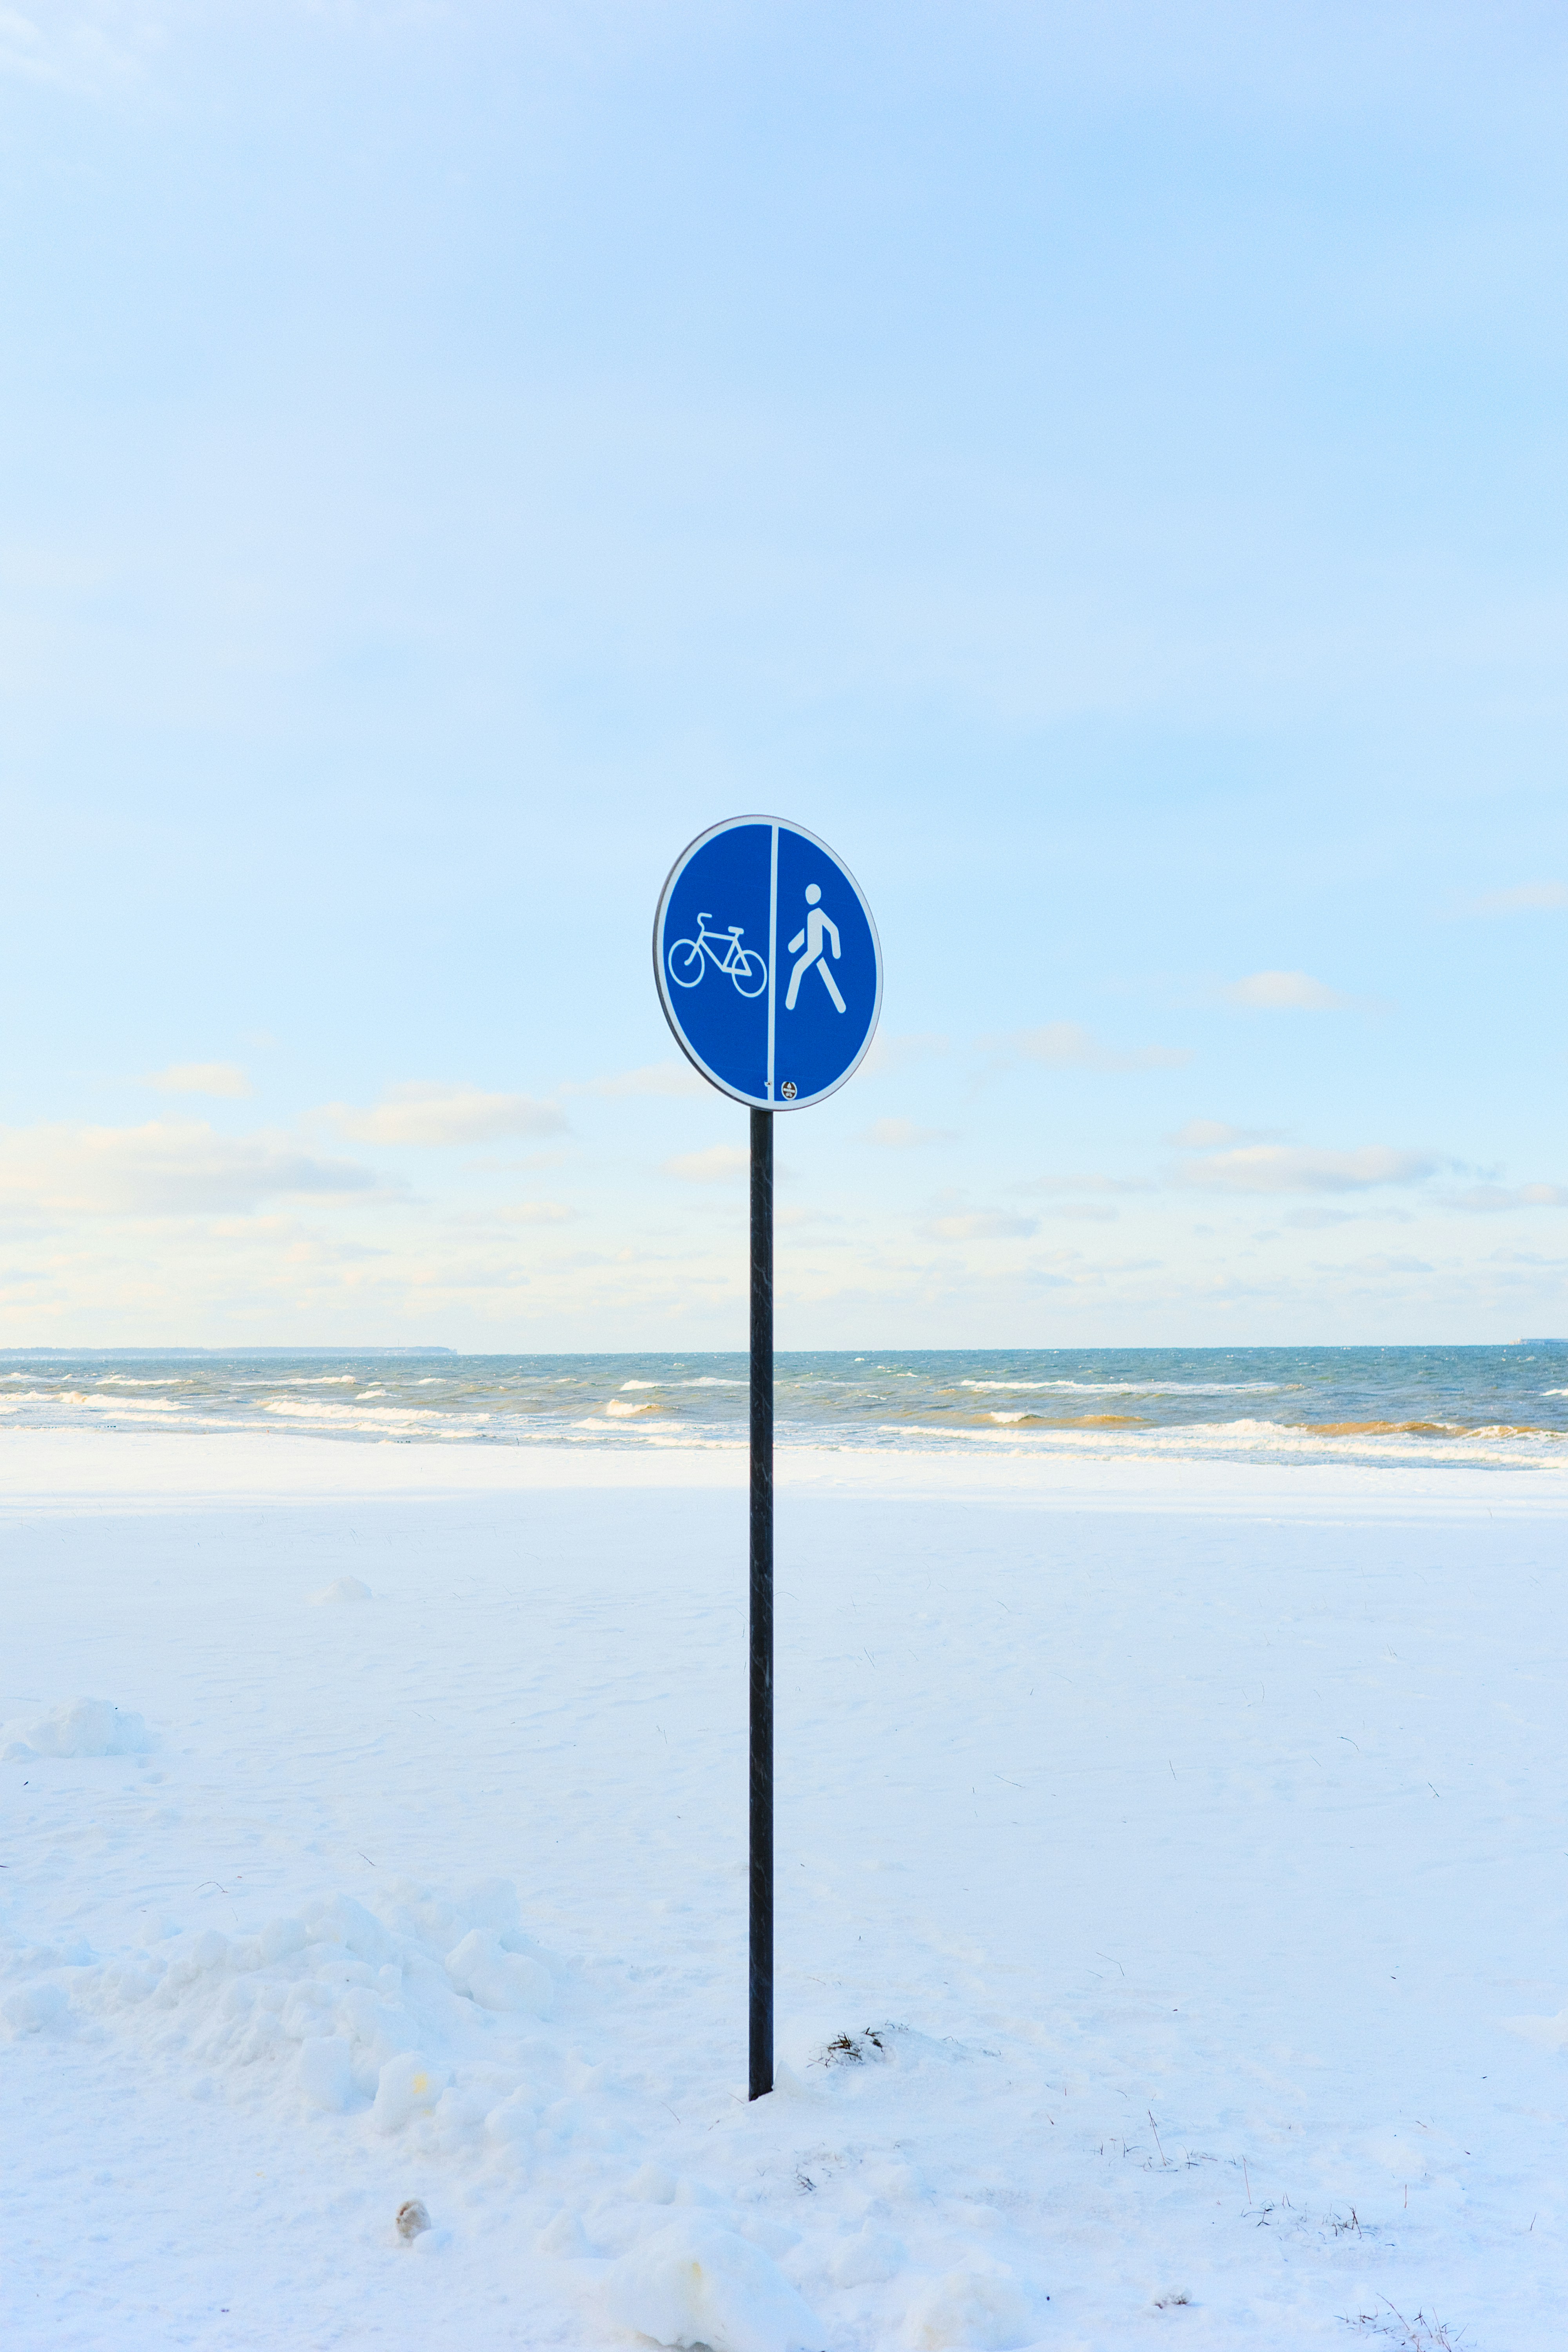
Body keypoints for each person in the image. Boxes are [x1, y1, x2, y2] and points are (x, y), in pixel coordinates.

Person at [784, 883, 845, 1012]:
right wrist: (794, 946)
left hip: (816, 951)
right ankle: (841, 1007)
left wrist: (836, 952)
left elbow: (833, 930)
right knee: (827, 977)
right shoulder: (811, 915)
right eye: (808, 895)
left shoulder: (818, 914)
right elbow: (806, 933)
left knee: (797, 969)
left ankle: (789, 1004)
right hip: (813, 951)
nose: (808, 897)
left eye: (810, 895)